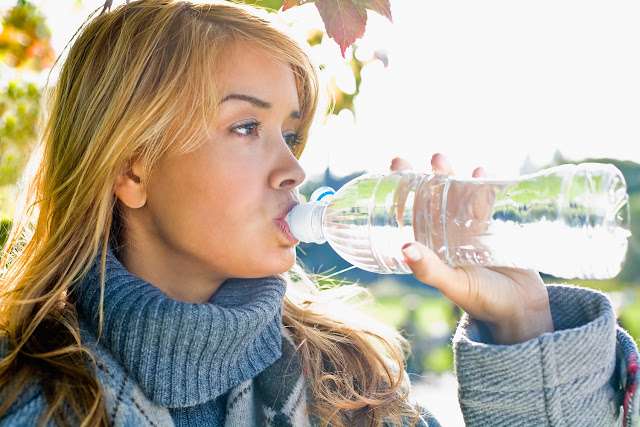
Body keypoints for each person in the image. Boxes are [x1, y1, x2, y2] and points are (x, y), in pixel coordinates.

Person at [0, 0, 637, 425]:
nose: (294, 171)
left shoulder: (352, 387)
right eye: (247, 127)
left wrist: (523, 320)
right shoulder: (25, 394)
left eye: (293, 135)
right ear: (132, 169)